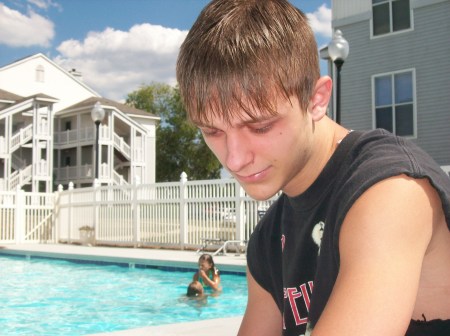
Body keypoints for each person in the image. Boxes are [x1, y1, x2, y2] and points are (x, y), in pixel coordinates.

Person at [176, 0, 450, 335]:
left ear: (316, 100)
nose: (234, 159)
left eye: (260, 126)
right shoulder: (267, 241)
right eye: (212, 131)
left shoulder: (392, 191)